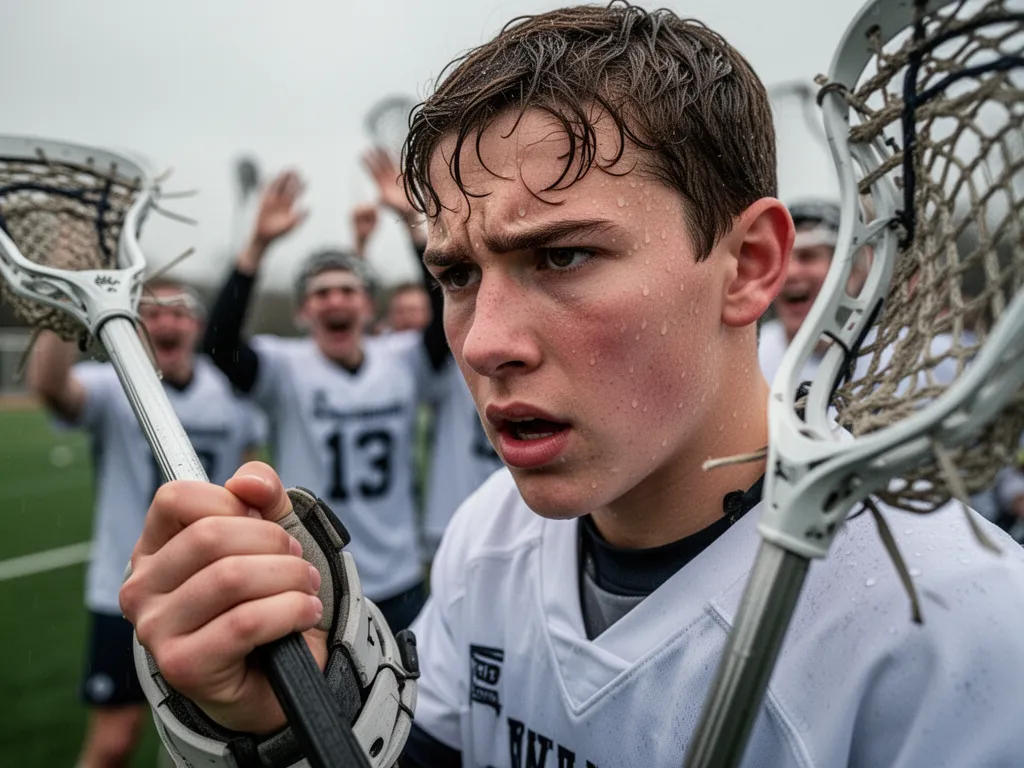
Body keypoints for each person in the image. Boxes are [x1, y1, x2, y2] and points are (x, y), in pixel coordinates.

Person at [121, 4, 1024, 767]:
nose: (484, 343)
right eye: (458, 275)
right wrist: (280, 723)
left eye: (562, 254)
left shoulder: (959, 629)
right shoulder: (489, 537)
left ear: (749, 265)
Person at [27, 282, 264, 768]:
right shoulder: (113, 387)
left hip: (208, 589)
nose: (167, 322)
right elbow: (52, 388)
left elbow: (245, 479)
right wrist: (57, 319)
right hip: (125, 588)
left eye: (179, 312)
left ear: (196, 326)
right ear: (134, 327)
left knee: (212, 743)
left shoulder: (227, 394)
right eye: (152, 313)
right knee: (114, 741)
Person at [201, 163, 446, 632]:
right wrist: (256, 247)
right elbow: (218, 343)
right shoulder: (283, 368)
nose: (335, 301)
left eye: (348, 291)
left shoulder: (403, 358)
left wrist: (414, 224)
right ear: (302, 311)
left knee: (415, 703)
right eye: (321, 293)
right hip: (316, 577)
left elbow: (443, 311)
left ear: (367, 306)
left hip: (398, 572)